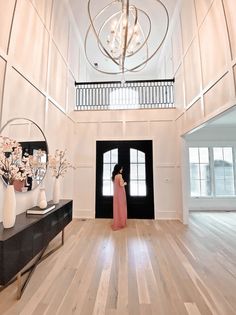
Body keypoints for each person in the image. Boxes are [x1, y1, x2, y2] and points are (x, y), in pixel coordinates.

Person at [111, 164, 127, 230]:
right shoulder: (120, 175)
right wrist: (125, 183)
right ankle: (121, 223)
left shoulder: (114, 176)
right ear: (118, 169)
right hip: (121, 194)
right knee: (122, 207)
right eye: (121, 168)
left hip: (116, 194)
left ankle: (117, 222)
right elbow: (121, 184)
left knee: (117, 208)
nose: (122, 170)